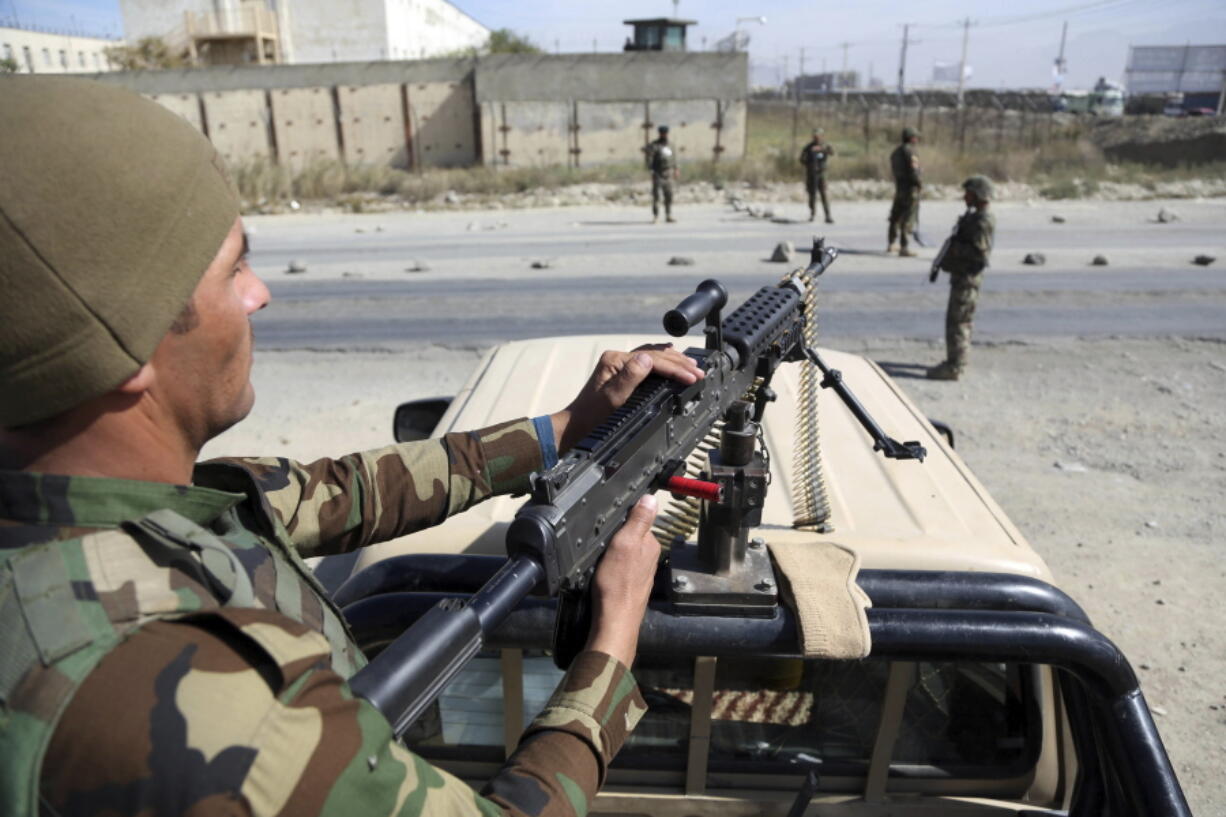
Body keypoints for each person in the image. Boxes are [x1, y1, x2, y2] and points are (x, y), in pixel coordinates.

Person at [0, 77, 705, 816]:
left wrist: (563, 427)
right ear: (124, 348)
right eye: (234, 267)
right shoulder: (188, 708)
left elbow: (347, 491)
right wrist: (613, 647)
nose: (259, 294)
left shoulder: (125, 500)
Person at [927, 175, 997, 381]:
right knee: (958, 320)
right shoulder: (974, 218)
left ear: (979, 195)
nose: (965, 198)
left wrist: (956, 250)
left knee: (958, 322)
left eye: (969, 194)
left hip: (967, 279)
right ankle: (957, 361)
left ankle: (955, 367)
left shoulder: (982, 221)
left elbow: (980, 253)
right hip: (963, 277)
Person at [887, 127, 922, 257]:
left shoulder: (896, 152)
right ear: (912, 138)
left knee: (895, 215)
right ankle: (904, 247)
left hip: (900, 188)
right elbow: (914, 171)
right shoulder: (911, 151)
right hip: (910, 189)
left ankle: (891, 243)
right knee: (908, 217)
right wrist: (919, 184)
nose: (917, 140)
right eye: (916, 137)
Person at [799, 128, 835, 223]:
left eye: (818, 136)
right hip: (811, 175)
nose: (816, 138)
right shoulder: (808, 147)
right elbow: (802, 159)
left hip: (822, 175)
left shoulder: (825, 146)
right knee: (812, 195)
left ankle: (828, 216)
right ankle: (812, 214)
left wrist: (822, 149)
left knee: (824, 195)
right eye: (815, 136)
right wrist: (809, 164)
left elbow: (832, 152)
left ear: (821, 136)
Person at [644, 124, 678, 223]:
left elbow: (674, 158)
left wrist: (676, 169)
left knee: (669, 195)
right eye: (662, 133)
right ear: (660, 134)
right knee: (656, 196)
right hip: (658, 173)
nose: (664, 135)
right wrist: (651, 170)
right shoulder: (654, 145)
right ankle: (656, 215)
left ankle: (668, 215)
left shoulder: (671, 145)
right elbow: (649, 159)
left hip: (668, 173)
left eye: (666, 133)